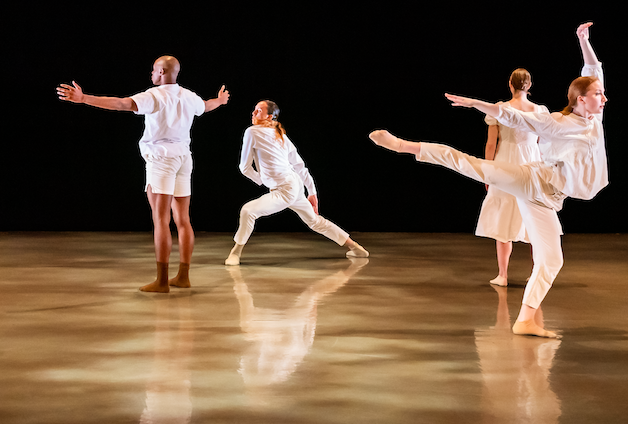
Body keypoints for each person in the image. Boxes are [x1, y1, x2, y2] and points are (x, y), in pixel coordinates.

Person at [369, 22, 607, 338]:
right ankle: (403, 145)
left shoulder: (594, 118)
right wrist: (477, 104)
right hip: (531, 180)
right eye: (597, 94)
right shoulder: (557, 123)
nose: (603, 98)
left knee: (551, 259)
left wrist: (583, 41)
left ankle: (524, 320)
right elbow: (514, 117)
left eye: (601, 93)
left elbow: (593, 69)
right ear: (580, 100)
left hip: (548, 199)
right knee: (472, 166)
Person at [57, 56, 229, 293]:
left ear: (161, 72)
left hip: (161, 159)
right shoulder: (189, 96)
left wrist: (84, 98)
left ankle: (161, 281)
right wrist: (220, 101)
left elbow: (121, 104)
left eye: (153, 70)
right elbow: (206, 106)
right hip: (183, 158)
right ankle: (183, 276)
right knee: (183, 219)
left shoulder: (154, 96)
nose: (151, 74)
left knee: (161, 220)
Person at [225, 100, 369, 266]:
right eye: (254, 110)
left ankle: (235, 253)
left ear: (269, 116)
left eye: (258, 111)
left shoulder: (252, 132)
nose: (253, 113)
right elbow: (300, 166)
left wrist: (261, 180)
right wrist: (312, 192)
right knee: (315, 221)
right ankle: (356, 248)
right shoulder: (281, 136)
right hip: (294, 185)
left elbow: (244, 167)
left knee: (248, 211)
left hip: (286, 189)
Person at [477, 69, 550, 287]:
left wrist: (486, 172)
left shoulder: (500, 110)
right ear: (529, 86)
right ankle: (536, 272)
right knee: (535, 217)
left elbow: (491, 144)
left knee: (504, 215)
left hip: (506, 162)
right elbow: (544, 144)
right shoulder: (539, 111)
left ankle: (503, 274)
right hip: (532, 163)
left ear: (511, 85)